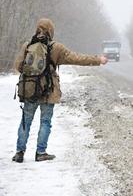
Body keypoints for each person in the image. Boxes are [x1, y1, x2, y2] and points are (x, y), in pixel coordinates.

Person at [12, 18, 108, 163]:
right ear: (51, 31)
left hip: (30, 90)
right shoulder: (56, 48)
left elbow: (18, 66)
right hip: (48, 92)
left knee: (26, 120)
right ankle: (41, 152)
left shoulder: (27, 45)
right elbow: (77, 58)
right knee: (45, 122)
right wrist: (97, 60)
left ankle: (19, 152)